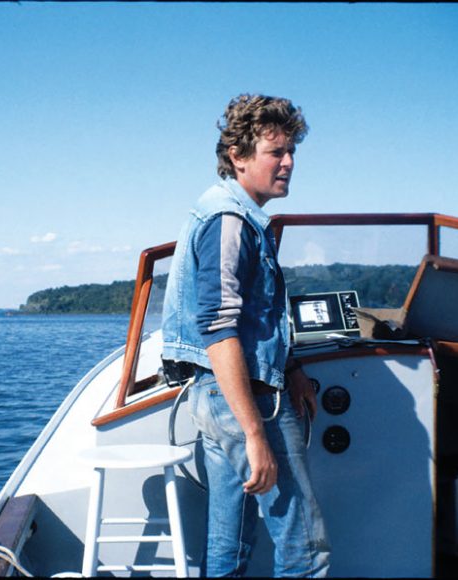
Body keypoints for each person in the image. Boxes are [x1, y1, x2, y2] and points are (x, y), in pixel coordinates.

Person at [161, 94, 330, 577]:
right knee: (305, 549)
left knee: (229, 545)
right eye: (276, 152)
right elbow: (217, 330)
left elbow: (256, 319)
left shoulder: (230, 213)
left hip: (218, 396)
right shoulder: (229, 221)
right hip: (246, 401)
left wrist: (292, 367)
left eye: (292, 151)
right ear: (238, 156)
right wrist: (256, 432)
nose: (289, 163)